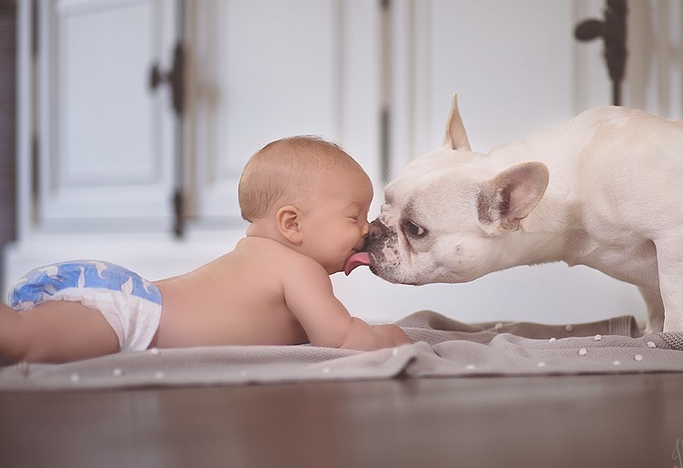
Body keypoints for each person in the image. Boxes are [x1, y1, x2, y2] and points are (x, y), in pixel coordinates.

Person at [0, 136, 410, 364]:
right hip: (131, 318)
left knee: (24, 337)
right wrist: (388, 337)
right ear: (292, 224)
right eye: (354, 216)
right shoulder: (299, 271)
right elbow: (339, 340)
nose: (366, 229)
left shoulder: (258, 257)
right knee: (19, 341)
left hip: (123, 298)